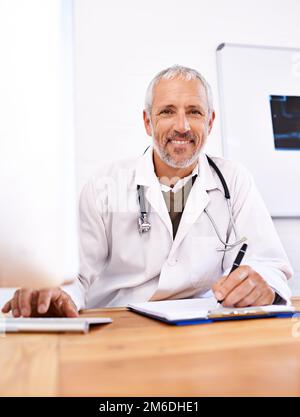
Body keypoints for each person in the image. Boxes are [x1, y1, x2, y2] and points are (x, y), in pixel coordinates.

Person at [2, 65, 292, 318]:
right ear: (147, 122)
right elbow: (76, 275)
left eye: (194, 112)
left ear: (210, 122)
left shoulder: (235, 180)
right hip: (120, 325)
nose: (182, 126)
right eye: (167, 112)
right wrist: (57, 295)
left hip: (203, 326)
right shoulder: (104, 185)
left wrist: (260, 284)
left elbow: (268, 264)